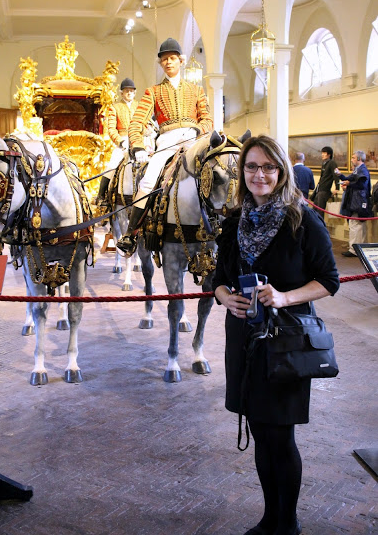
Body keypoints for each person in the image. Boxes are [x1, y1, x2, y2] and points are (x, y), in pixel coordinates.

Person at [213, 135, 339, 535]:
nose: (260, 175)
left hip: (285, 343)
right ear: (242, 173)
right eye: (251, 167)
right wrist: (224, 296)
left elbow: (329, 281)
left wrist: (284, 297)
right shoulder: (234, 221)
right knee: (260, 433)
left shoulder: (301, 220)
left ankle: (288, 523)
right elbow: (217, 278)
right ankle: (271, 519)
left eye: (268, 167)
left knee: (280, 437)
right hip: (245, 342)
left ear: (281, 171)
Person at [117, 37, 213, 255]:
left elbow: (207, 119)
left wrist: (199, 130)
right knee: (148, 181)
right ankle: (131, 234)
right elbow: (137, 122)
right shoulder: (153, 91)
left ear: (181, 61)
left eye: (172, 58)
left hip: (194, 139)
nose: (168, 63)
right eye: (164, 60)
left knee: (217, 172)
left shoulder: (196, 90)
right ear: (161, 64)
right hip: (168, 142)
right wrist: (139, 147)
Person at [95, 78, 138, 210]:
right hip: (123, 141)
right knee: (112, 166)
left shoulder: (139, 106)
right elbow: (111, 129)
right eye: (127, 91)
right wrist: (120, 141)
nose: (129, 93)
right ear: (122, 93)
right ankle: (101, 196)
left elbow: (146, 123)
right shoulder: (115, 107)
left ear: (135, 93)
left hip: (138, 140)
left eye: (131, 91)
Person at [335, 150, 372, 257]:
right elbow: (349, 179)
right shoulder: (357, 170)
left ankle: (354, 249)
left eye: (353, 158)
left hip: (359, 202)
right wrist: (340, 175)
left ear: (359, 159)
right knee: (357, 225)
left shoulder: (362, 169)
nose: (351, 160)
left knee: (356, 225)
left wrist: (349, 184)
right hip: (356, 201)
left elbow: (361, 184)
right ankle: (357, 248)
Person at [311, 146, 340, 218]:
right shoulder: (324, 163)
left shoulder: (332, 163)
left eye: (324, 153)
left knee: (320, 212)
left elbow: (336, 175)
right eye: (322, 153)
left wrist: (337, 187)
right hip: (319, 189)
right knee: (314, 210)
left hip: (324, 190)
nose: (322, 155)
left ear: (329, 154)